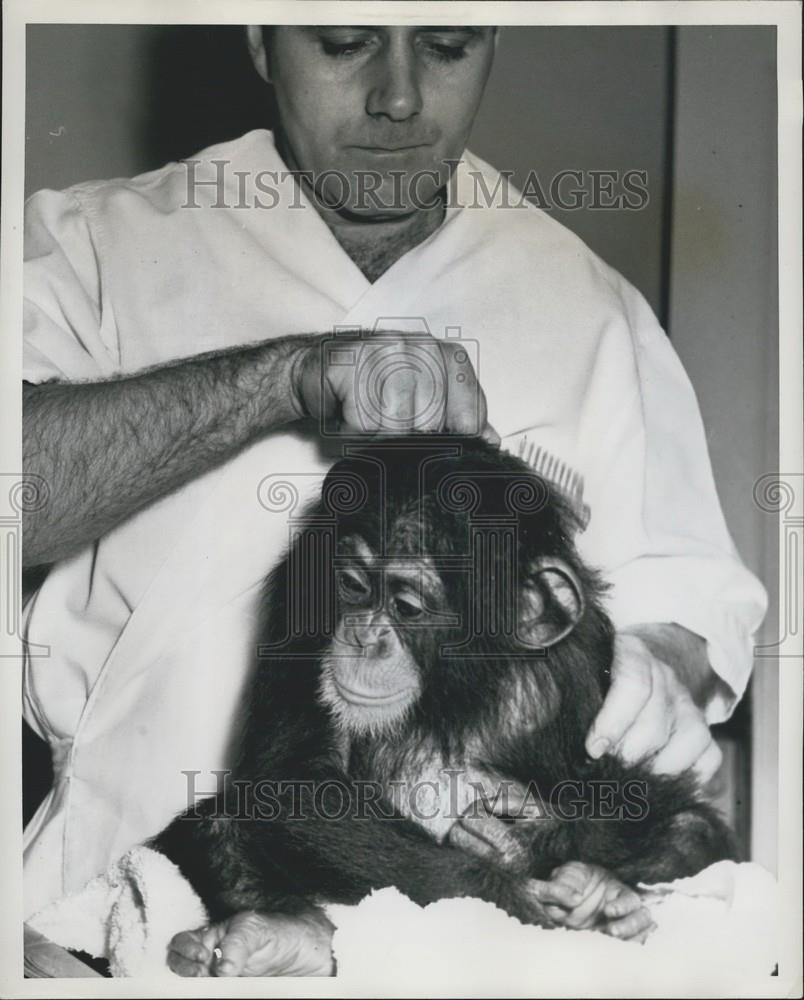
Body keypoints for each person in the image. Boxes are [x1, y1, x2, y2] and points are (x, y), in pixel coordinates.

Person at [22, 25, 767, 975]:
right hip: (111, 908)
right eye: (345, 42)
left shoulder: (591, 304)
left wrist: (650, 666)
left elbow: (689, 611)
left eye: (449, 46)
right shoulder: (96, 242)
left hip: (473, 946)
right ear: (259, 34)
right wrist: (282, 381)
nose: (401, 97)